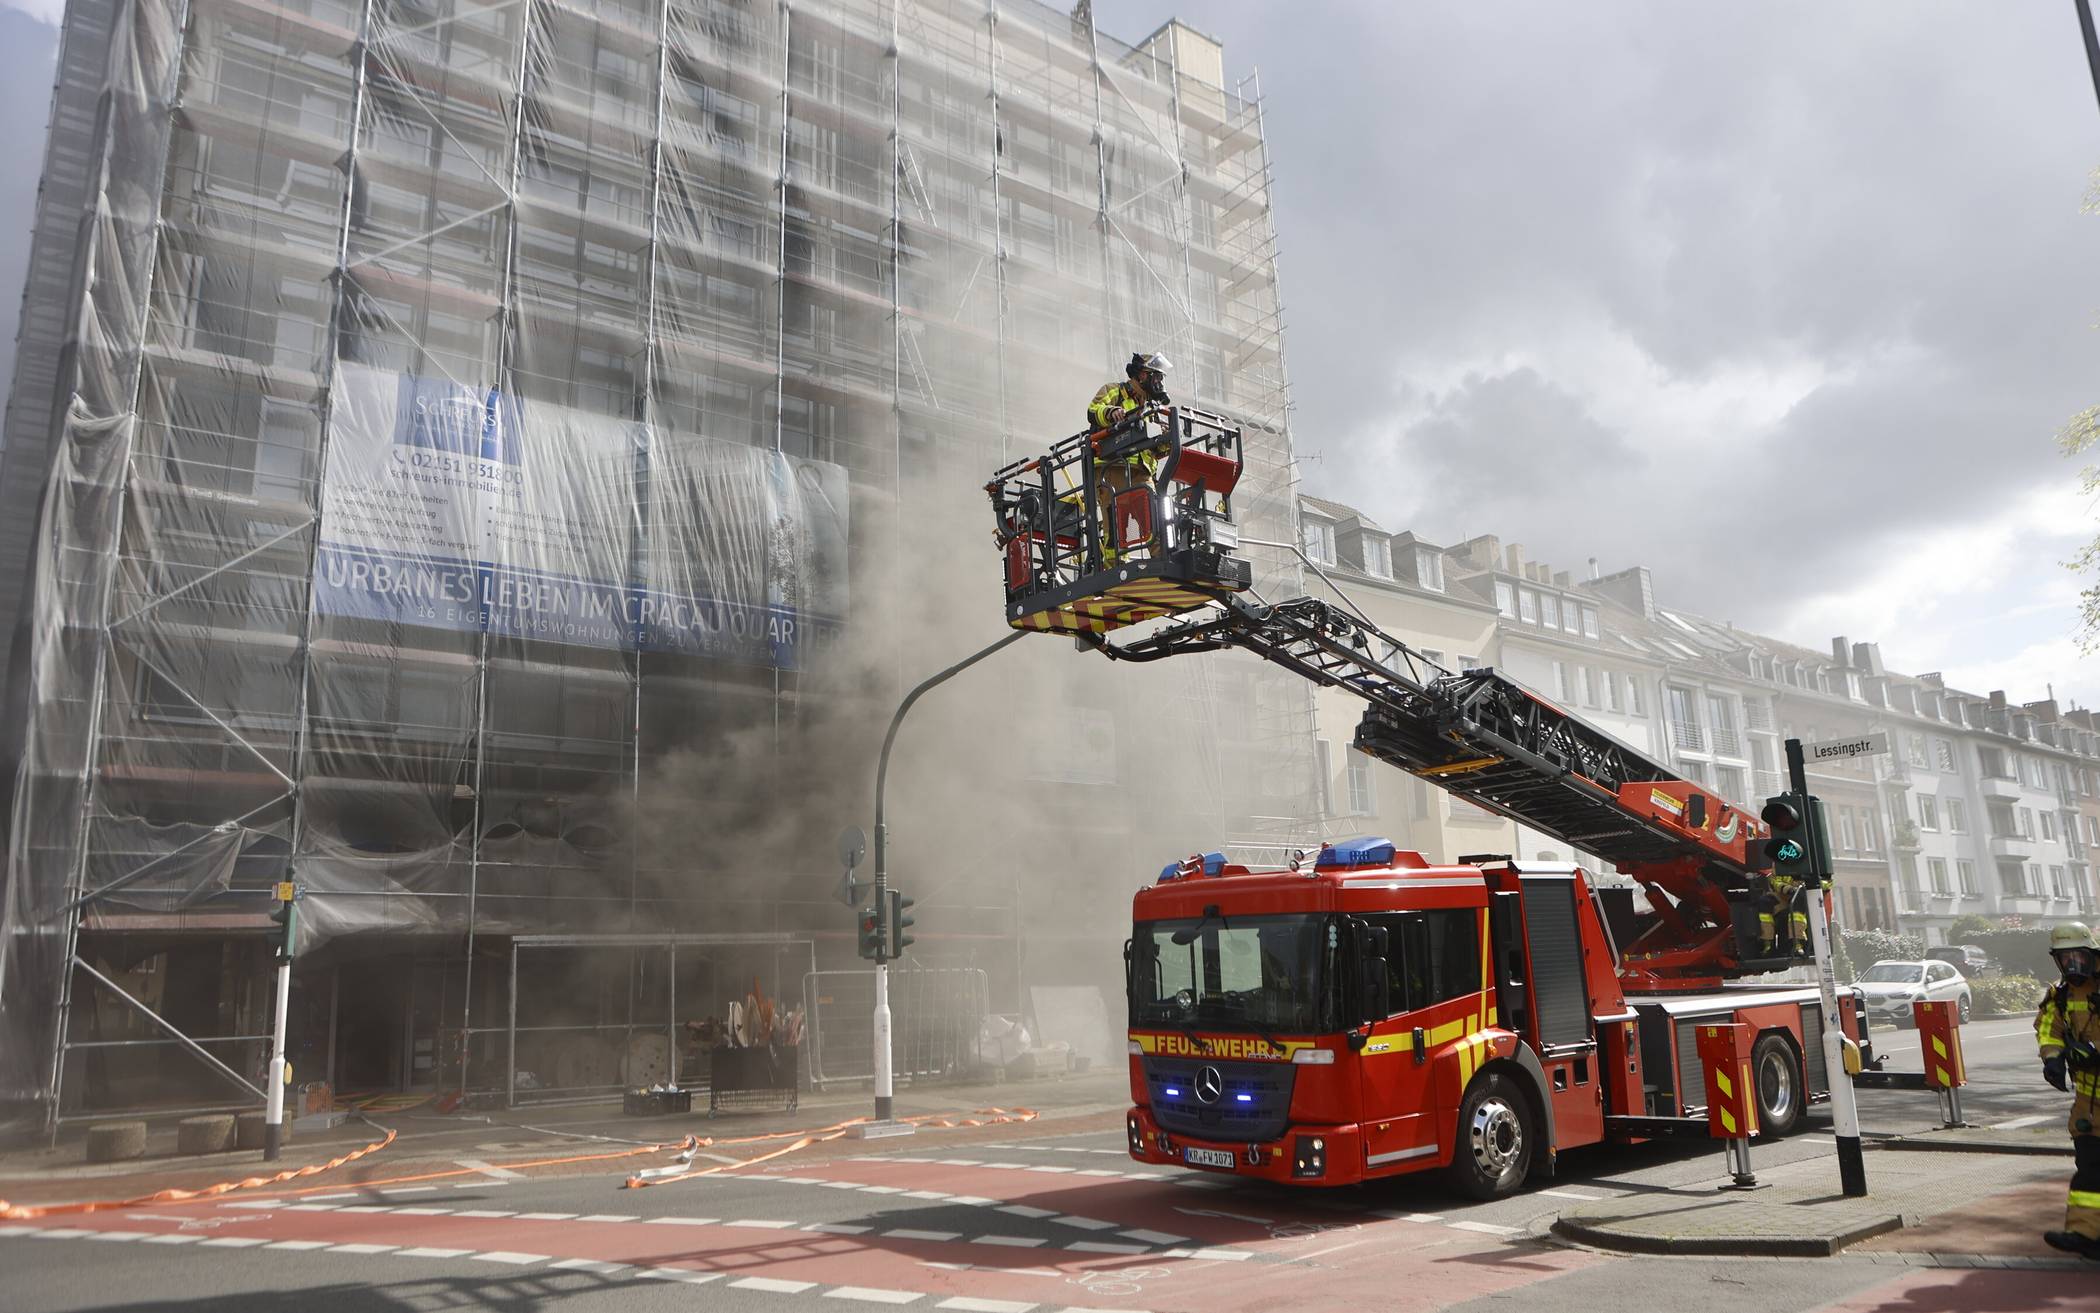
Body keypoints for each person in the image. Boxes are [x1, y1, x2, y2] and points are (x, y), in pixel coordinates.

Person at [2037, 921, 2100, 1259]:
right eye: (2065, 959)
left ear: (2092, 954)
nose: (2072, 965)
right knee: (2090, 1168)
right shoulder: (2059, 995)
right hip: (2090, 1104)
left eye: (2078, 956)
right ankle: (2084, 1235)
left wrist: (2095, 1052)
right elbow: (2049, 1028)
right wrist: (2053, 1057)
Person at [1083, 351, 1171, 563]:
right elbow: (1094, 410)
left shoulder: (1153, 408)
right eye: (1156, 376)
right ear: (1142, 375)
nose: (1159, 382)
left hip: (1142, 473)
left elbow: (1157, 451)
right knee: (1115, 525)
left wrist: (1166, 438)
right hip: (1111, 468)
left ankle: (1162, 562)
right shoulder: (1114, 391)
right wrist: (1112, 412)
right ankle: (1115, 566)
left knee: (1155, 520)